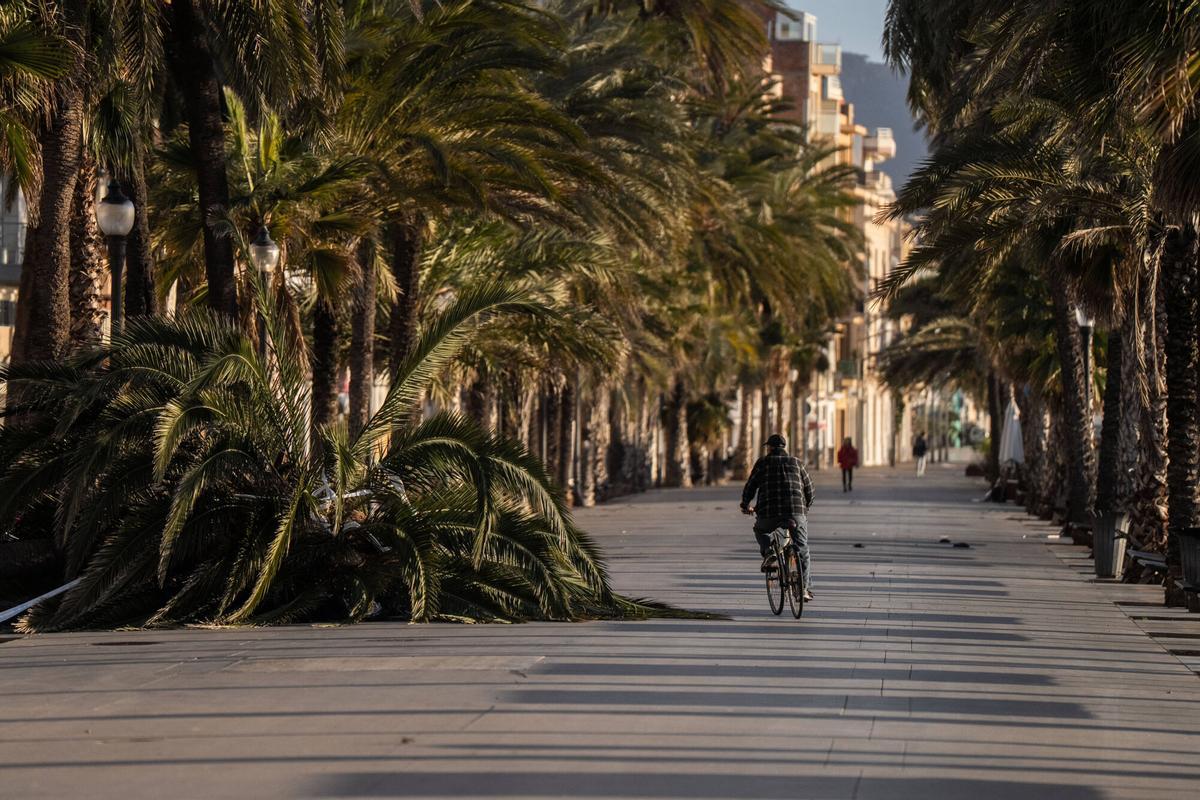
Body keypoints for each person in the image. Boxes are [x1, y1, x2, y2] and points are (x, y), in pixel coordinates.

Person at [739, 434, 815, 601]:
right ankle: (803, 589)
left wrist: (745, 505)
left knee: (760, 530)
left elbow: (750, 486)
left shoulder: (763, 463)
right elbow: (809, 488)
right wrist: (805, 507)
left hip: (768, 512)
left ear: (770, 448)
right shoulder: (797, 462)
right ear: (784, 447)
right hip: (796, 512)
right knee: (802, 548)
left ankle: (769, 552)